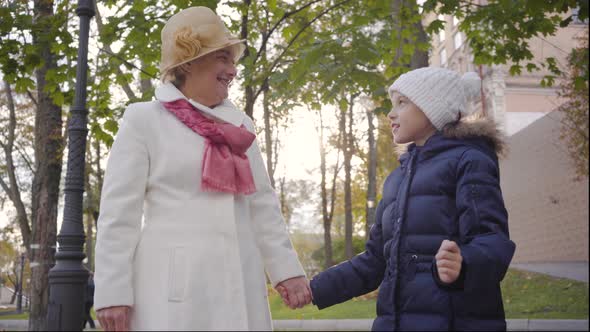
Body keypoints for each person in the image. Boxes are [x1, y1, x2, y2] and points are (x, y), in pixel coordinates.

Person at [93, 6, 310, 331]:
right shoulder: (143, 120)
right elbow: (118, 215)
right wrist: (112, 292)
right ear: (189, 61)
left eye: (232, 60)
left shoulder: (241, 124)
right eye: (222, 58)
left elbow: (263, 205)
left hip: (240, 284)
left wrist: (286, 270)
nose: (233, 70)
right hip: (173, 291)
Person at [293, 67, 516, 331]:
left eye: (402, 102)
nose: (391, 113)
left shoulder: (470, 161)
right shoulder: (397, 178)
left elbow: (493, 240)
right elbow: (375, 261)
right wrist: (313, 289)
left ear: (433, 107)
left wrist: (465, 262)